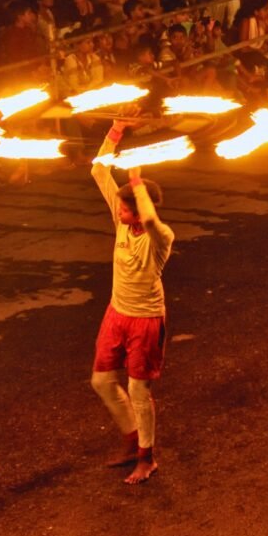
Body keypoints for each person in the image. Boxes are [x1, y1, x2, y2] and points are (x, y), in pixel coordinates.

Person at [90, 121, 174, 484]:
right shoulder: (123, 221)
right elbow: (97, 169)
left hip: (145, 319)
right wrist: (116, 131)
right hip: (116, 312)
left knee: (139, 390)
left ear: (137, 210)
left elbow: (151, 217)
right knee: (102, 381)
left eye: (125, 210)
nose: (119, 214)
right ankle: (131, 440)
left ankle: (147, 457)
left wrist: (137, 182)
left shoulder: (160, 235)